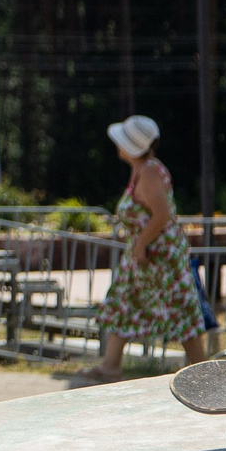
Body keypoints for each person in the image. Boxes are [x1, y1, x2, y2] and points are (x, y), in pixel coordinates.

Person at [88, 116, 208, 378]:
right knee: (124, 303)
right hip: (146, 257)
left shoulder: (150, 171)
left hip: (159, 257)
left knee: (179, 310)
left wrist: (140, 245)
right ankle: (110, 365)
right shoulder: (143, 168)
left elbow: (161, 214)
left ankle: (201, 371)